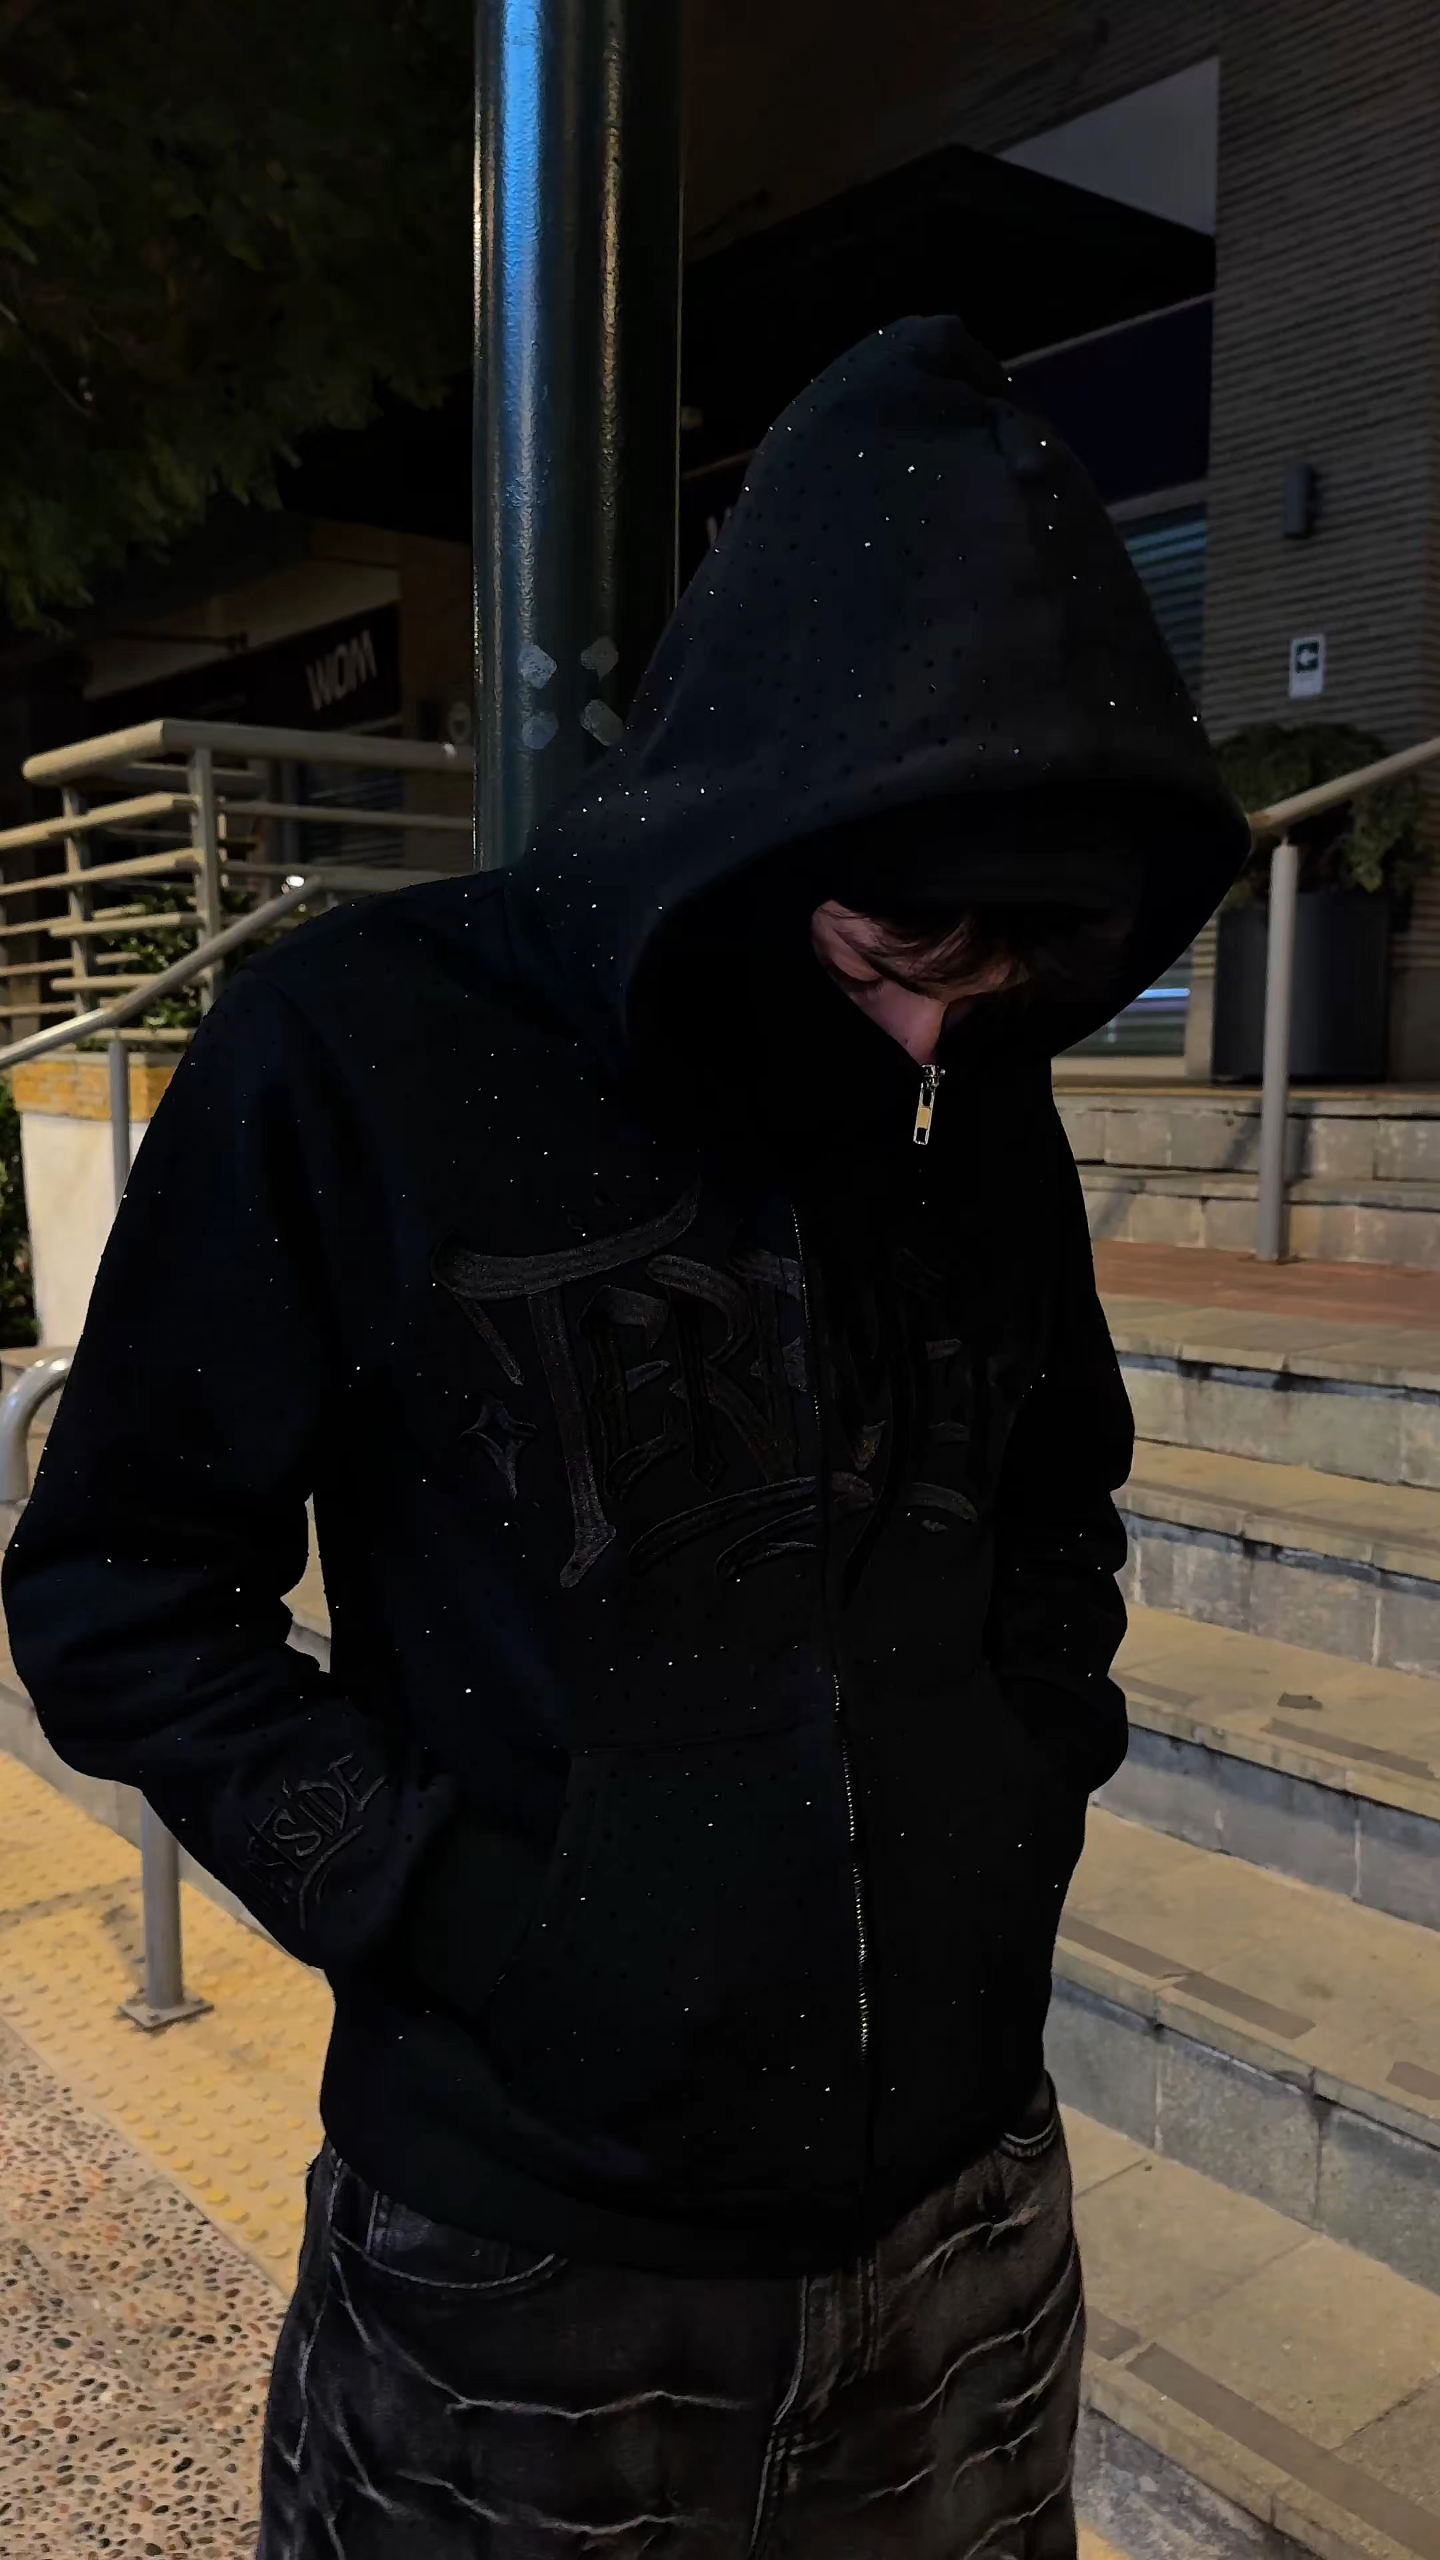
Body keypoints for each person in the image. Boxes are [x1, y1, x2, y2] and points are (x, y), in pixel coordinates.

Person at [2, 316, 1248, 2558]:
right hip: (522, 2250)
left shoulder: (977, 1075)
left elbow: (1056, 1477)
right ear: (756, 807)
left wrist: (1022, 1777)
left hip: (970, 2210)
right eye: (889, 946)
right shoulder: (357, 1048)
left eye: (1004, 977)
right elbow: (117, 1585)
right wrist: (456, 1914)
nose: (933, 1026)